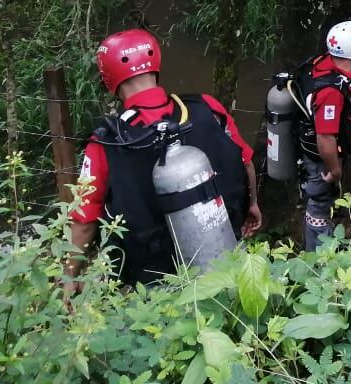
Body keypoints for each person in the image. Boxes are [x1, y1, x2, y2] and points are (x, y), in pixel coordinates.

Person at [67, 28, 261, 286]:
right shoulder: (207, 107)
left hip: (155, 283)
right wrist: (252, 206)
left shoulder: (104, 142)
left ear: (108, 78)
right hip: (222, 256)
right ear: (155, 64)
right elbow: (244, 162)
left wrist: (69, 276)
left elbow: (84, 221)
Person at [292, 12, 351, 250]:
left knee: (328, 200)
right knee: (319, 204)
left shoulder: (327, 60)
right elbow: (325, 136)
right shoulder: (331, 92)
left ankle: (329, 236)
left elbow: (347, 45)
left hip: (336, 149)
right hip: (323, 160)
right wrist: (334, 171)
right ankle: (318, 257)